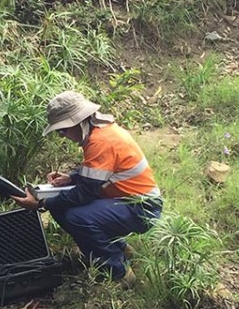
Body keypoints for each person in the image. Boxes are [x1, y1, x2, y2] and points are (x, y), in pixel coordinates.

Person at [11, 90, 163, 282]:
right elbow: (100, 174)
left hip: (142, 208)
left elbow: (85, 193)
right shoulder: (100, 131)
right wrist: (72, 178)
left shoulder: (101, 141)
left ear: (78, 121)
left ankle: (119, 272)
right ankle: (120, 248)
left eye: (62, 130)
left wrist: (41, 204)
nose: (62, 135)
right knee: (61, 207)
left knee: (76, 217)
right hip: (125, 199)